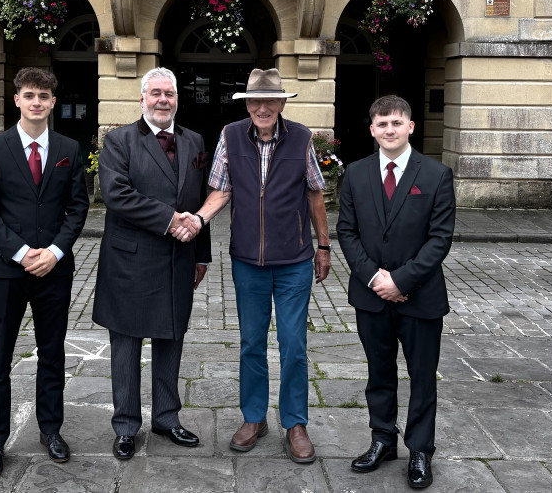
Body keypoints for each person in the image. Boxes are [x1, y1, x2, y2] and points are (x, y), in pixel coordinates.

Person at [177, 68, 331, 464]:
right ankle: (254, 418)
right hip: (247, 261)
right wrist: (197, 219)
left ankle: (295, 423)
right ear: (246, 104)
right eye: (254, 101)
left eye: (270, 101)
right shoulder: (230, 136)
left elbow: (315, 193)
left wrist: (324, 246)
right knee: (250, 344)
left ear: (282, 103)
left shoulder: (301, 138)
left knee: (293, 345)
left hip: (295, 260)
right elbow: (220, 189)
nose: (262, 108)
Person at [0, 67, 89, 478]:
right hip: (7, 270)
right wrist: (22, 253)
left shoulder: (68, 149)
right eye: (29, 95)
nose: (36, 101)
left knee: (52, 353)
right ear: (16, 99)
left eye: (44, 95)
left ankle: (51, 430)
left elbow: (78, 209)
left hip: (54, 270)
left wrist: (55, 252)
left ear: (53, 102)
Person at [92, 67, 212, 460]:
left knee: (171, 338)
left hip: (179, 258)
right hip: (130, 261)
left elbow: (199, 201)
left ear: (178, 99)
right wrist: (169, 219)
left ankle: (166, 416)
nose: (163, 100)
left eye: (170, 94)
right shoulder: (118, 140)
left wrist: (202, 253)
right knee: (126, 345)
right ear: (142, 98)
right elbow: (115, 194)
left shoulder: (194, 141)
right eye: (156, 93)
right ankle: (126, 425)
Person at [336, 95, 455, 489]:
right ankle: (382, 439)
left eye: (396, 122)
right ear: (372, 129)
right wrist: (375, 279)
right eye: (382, 123)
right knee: (379, 373)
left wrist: (401, 281)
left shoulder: (436, 175)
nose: (389, 129)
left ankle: (420, 449)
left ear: (410, 127)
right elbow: (347, 233)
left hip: (420, 297)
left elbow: (439, 240)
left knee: (422, 377)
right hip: (371, 296)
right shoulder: (354, 173)